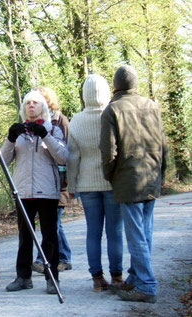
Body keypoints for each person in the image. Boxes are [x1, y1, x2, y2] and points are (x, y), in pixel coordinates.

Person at [100, 65, 168, 303]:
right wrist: (162, 172)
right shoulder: (152, 106)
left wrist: (110, 175)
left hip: (128, 180)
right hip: (152, 176)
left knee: (136, 235)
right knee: (145, 233)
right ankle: (136, 277)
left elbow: (108, 152)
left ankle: (147, 286)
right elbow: (162, 143)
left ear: (115, 85)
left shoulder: (112, 110)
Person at [2, 90, 68, 294]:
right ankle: (23, 277)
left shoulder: (53, 129)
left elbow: (63, 157)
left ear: (43, 107)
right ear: (23, 108)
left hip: (47, 191)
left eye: (36, 103)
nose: (31, 105)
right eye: (28, 103)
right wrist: (10, 139)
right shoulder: (18, 132)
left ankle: (51, 278)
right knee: (24, 236)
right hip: (22, 190)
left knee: (50, 236)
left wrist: (45, 136)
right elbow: (4, 161)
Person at [66, 74, 124, 292]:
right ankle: (117, 277)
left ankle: (97, 279)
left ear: (85, 94)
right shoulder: (114, 114)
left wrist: (72, 186)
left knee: (93, 232)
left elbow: (72, 157)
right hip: (113, 183)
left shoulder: (76, 120)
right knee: (115, 232)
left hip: (87, 185)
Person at [31, 87, 73, 274]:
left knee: (53, 222)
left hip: (59, 180)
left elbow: (67, 151)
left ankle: (45, 258)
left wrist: (67, 180)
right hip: (41, 182)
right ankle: (63, 256)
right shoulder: (32, 122)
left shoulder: (60, 121)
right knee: (55, 222)